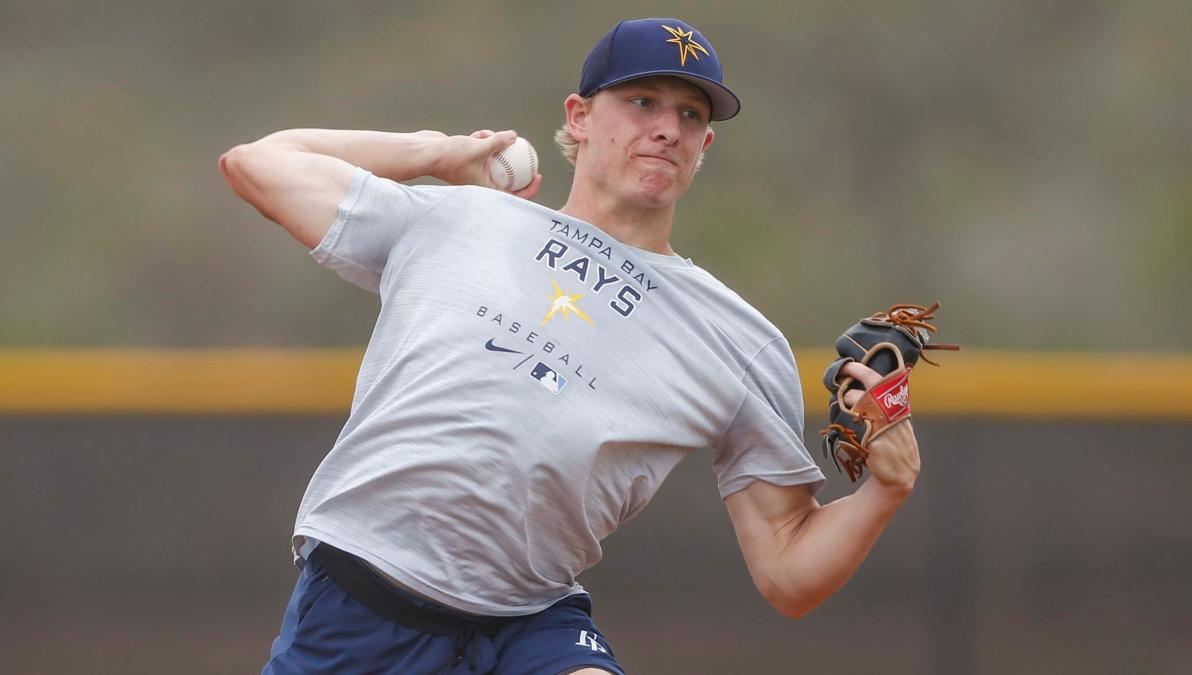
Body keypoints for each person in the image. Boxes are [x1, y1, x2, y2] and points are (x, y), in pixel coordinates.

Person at [220, 17, 922, 675]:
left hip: (529, 622)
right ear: (578, 117)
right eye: (643, 101)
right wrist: (436, 151)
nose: (667, 129)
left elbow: (788, 574)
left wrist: (885, 492)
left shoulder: (736, 339)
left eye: (691, 115)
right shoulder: (461, 218)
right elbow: (259, 163)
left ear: (706, 146)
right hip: (361, 600)